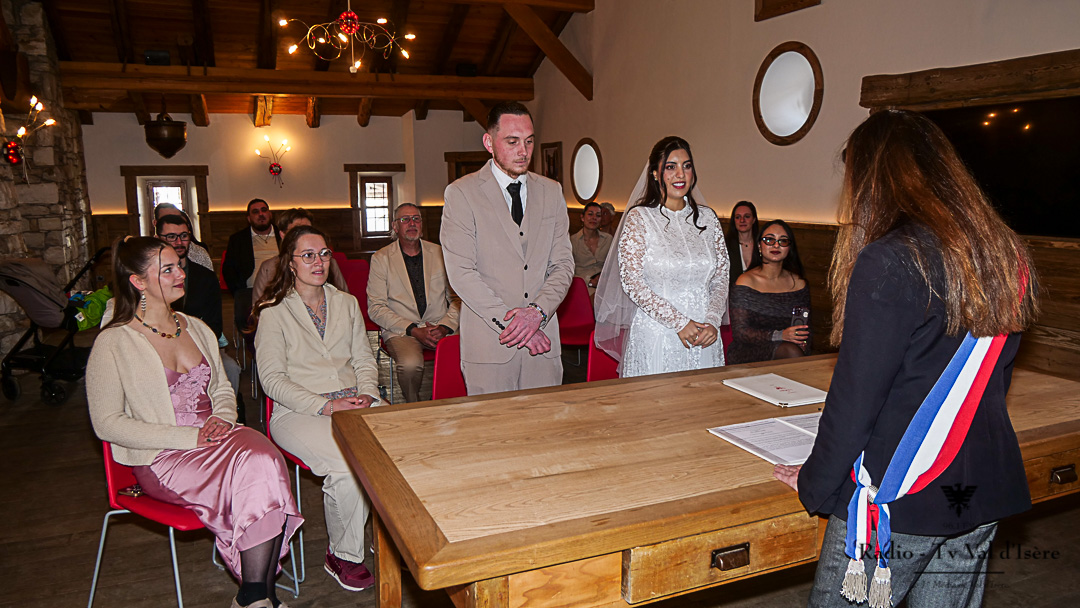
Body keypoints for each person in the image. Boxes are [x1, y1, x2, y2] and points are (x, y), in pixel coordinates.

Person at [773, 110, 1039, 608]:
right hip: (982, 485)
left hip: (901, 494)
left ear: (873, 179)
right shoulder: (1005, 254)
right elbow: (989, 383)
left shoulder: (892, 258)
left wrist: (815, 481)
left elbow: (856, 400)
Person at [86, 236, 302, 608]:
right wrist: (189, 437)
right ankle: (259, 596)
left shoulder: (196, 327)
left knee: (266, 458)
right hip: (163, 454)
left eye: (179, 266)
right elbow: (107, 424)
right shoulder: (114, 343)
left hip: (216, 435)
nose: (181, 274)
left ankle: (255, 596)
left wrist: (222, 417)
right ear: (138, 281)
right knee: (255, 471)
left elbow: (220, 387)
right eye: (167, 269)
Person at [253, 225, 381, 592]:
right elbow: (272, 380)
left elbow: (364, 359)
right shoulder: (274, 312)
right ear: (290, 263)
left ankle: (388, 536)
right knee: (347, 465)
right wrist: (325, 405)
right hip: (298, 410)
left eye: (324, 254)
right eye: (308, 255)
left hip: (354, 398)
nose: (318, 262)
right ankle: (343, 554)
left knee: (400, 446)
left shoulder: (346, 303)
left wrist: (368, 393)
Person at [440, 101, 574, 396]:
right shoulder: (461, 193)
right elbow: (461, 273)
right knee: (493, 425)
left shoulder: (551, 191)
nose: (523, 151)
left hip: (543, 343)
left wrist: (537, 313)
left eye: (529, 141)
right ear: (489, 143)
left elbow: (563, 264)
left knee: (546, 421)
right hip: (490, 346)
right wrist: (516, 325)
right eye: (512, 142)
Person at [594, 136, 729, 377]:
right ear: (655, 173)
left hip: (705, 333)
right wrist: (679, 322)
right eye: (670, 167)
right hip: (658, 331)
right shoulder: (640, 218)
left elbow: (721, 277)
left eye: (687, 166)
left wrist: (712, 320)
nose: (680, 174)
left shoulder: (708, 219)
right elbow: (632, 282)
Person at [368, 203, 461, 402]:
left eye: (416, 219)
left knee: (466, 353)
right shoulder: (381, 258)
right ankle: (412, 406)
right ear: (395, 226)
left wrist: (445, 326)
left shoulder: (440, 253)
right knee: (410, 365)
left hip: (438, 326)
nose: (412, 223)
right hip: (401, 330)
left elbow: (457, 299)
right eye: (405, 219)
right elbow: (376, 308)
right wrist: (413, 329)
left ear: (422, 224)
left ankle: (450, 402)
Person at [156, 214, 243, 396]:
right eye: (171, 236)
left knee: (231, 368)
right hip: (160, 347)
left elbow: (214, 326)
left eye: (184, 236)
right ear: (158, 238)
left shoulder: (205, 277)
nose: (179, 242)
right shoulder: (151, 278)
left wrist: (192, 348)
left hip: (200, 345)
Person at [726, 219, 810, 364]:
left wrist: (802, 343)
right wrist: (780, 335)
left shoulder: (798, 283)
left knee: (795, 352)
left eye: (783, 241)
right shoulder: (746, 281)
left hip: (788, 349)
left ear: (789, 248)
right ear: (759, 245)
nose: (776, 245)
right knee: (791, 352)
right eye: (769, 240)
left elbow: (805, 328)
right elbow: (741, 332)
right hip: (749, 350)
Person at [251, 207, 348, 305]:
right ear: (283, 235)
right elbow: (259, 305)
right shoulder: (269, 268)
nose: (305, 236)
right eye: (297, 231)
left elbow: (344, 299)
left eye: (308, 230)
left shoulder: (328, 263)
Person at [223, 199, 279, 332]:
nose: (261, 214)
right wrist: (238, 289)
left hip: (281, 287)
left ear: (270, 214)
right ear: (249, 218)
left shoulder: (283, 235)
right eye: (255, 212)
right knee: (246, 319)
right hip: (250, 290)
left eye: (264, 210)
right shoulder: (238, 239)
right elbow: (229, 269)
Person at [154, 203, 214, 273]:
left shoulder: (199, 253)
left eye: (178, 218)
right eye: (171, 237)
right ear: (155, 223)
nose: (179, 242)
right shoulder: (148, 258)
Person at [569, 202, 613, 294]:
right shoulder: (572, 241)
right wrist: (589, 282)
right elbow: (567, 269)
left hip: (604, 285)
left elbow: (613, 265)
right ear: (582, 217)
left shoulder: (608, 239)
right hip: (581, 285)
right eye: (590, 214)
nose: (594, 218)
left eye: (598, 215)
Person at [725, 201, 759, 285]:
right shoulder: (725, 245)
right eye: (738, 217)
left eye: (747, 216)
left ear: (754, 219)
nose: (742, 220)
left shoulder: (762, 245)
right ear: (734, 221)